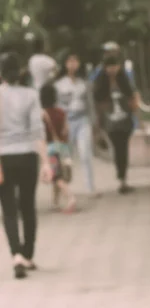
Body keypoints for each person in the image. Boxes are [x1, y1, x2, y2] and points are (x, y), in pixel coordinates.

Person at [0, 52, 53, 279]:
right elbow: (36, 131)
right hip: (28, 155)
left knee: (9, 209)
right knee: (28, 205)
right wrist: (46, 162)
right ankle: (28, 254)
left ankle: (16, 255)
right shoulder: (31, 94)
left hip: (4, 157)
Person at [93, 54, 140, 194]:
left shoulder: (124, 80)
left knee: (123, 148)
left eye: (115, 66)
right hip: (110, 122)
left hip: (125, 121)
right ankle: (121, 177)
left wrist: (137, 117)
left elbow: (132, 99)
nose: (113, 69)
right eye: (110, 66)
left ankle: (122, 178)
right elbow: (97, 103)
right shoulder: (100, 83)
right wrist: (98, 124)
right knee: (118, 148)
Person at [54, 51, 97, 196]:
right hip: (67, 121)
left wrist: (94, 121)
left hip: (83, 119)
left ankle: (90, 187)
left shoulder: (83, 83)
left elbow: (90, 104)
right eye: (69, 61)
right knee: (67, 156)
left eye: (75, 60)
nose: (73, 64)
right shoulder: (59, 85)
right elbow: (57, 106)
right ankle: (65, 187)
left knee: (85, 153)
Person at [40, 83, 77, 213]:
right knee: (58, 174)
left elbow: (41, 135)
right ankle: (55, 202)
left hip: (51, 149)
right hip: (63, 147)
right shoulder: (61, 112)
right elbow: (66, 130)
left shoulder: (42, 114)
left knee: (56, 177)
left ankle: (71, 198)